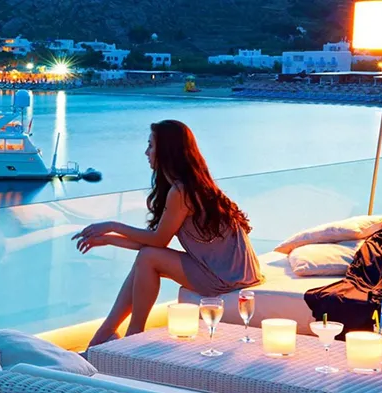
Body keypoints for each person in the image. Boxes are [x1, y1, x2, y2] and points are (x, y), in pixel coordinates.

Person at [72, 120, 264, 347]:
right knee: (147, 259)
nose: (146, 152)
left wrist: (113, 226)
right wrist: (107, 239)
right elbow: (154, 243)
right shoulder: (187, 186)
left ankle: (131, 337)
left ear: (166, 151)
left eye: (151, 146)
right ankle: (103, 337)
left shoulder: (182, 191)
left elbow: (157, 242)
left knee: (148, 258)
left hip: (228, 277)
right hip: (229, 270)